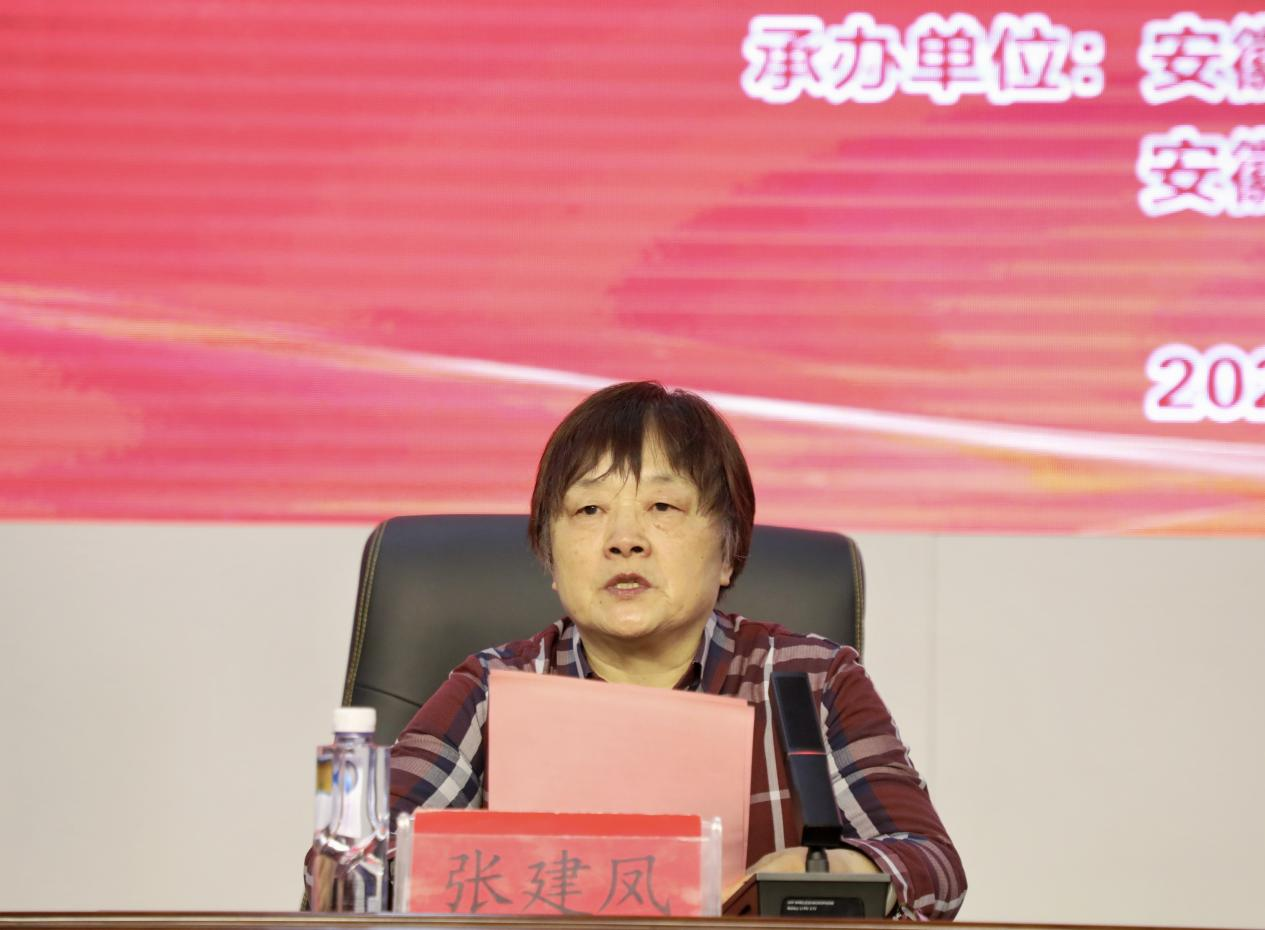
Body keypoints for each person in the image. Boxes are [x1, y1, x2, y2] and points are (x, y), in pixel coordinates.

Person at [388, 381, 966, 919]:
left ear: (728, 552)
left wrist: (835, 871)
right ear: (550, 559)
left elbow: (932, 867)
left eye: (662, 507)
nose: (625, 540)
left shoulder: (813, 680)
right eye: (589, 510)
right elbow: (368, 864)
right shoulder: (491, 689)